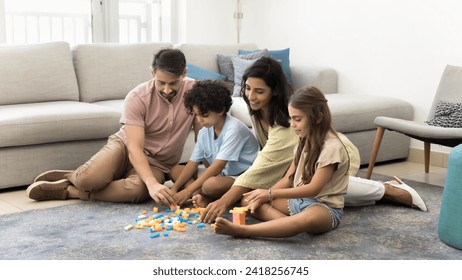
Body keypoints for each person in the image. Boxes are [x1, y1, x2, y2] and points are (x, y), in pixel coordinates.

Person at [200, 56, 426, 224]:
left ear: (275, 91)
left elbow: (261, 167)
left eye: (259, 91)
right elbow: (269, 164)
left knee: (323, 192)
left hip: (331, 157)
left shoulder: (288, 124)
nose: (251, 96)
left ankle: (387, 189)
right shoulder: (256, 110)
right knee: (283, 192)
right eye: (248, 88)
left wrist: (225, 201)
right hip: (295, 164)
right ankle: (292, 220)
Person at [26, 48, 200, 206]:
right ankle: (74, 177)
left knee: (137, 192)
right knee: (88, 180)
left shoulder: (195, 92)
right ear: (152, 72)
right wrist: (152, 183)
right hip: (125, 148)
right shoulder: (138, 97)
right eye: (161, 83)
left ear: (184, 73)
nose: (167, 90)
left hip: (159, 163)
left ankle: (70, 190)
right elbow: (134, 147)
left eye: (173, 83)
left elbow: (203, 138)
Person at [215, 86, 349, 237]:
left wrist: (271, 194)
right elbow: (288, 179)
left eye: (297, 119)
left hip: (324, 208)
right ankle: (285, 224)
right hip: (298, 202)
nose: (292, 124)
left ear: (318, 118)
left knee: (308, 218)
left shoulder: (332, 147)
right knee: (249, 199)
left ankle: (244, 231)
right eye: (291, 118)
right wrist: (264, 195)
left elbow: (313, 189)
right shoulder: (303, 141)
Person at [169, 80, 259, 206]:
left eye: (204, 115)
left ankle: (198, 193)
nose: (199, 120)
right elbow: (192, 163)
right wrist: (174, 188)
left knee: (210, 185)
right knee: (175, 170)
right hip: (222, 176)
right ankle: (198, 195)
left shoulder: (234, 129)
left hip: (243, 178)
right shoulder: (204, 132)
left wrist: (187, 191)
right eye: (196, 115)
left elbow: (218, 166)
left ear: (221, 110)